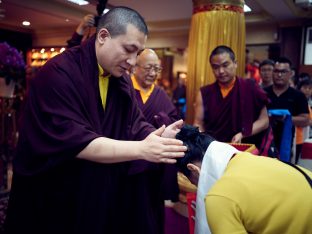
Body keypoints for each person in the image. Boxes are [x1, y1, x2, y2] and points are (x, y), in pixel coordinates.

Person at [4, 7, 187, 234]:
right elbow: (76, 141)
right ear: (103, 36)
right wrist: (141, 149)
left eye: (136, 53)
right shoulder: (58, 73)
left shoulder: (120, 79)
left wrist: (157, 136)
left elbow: (134, 122)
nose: (132, 62)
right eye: (128, 50)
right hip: (54, 191)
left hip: (94, 189)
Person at [175, 125, 312, 234]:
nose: (195, 185)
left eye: (190, 180)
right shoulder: (248, 158)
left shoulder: (219, 197)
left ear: (193, 169)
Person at [124, 48, 180, 234]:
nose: (153, 73)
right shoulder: (125, 90)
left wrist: (163, 120)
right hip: (128, 162)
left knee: (153, 209)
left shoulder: (160, 94)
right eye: (148, 68)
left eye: (157, 69)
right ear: (135, 68)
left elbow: (172, 119)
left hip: (154, 165)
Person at [193, 45, 270, 150]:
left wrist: (243, 134)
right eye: (216, 67)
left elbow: (264, 121)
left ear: (235, 64)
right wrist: (203, 142)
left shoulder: (250, 87)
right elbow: (198, 123)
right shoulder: (204, 92)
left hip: (245, 148)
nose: (221, 71)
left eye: (225, 65)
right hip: (214, 149)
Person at [264, 57, 309, 160]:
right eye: (276, 71)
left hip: (287, 142)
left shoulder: (298, 96)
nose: (279, 75)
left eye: (283, 72)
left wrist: (286, 118)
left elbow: (305, 120)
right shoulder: (263, 93)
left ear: (291, 73)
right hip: (264, 140)